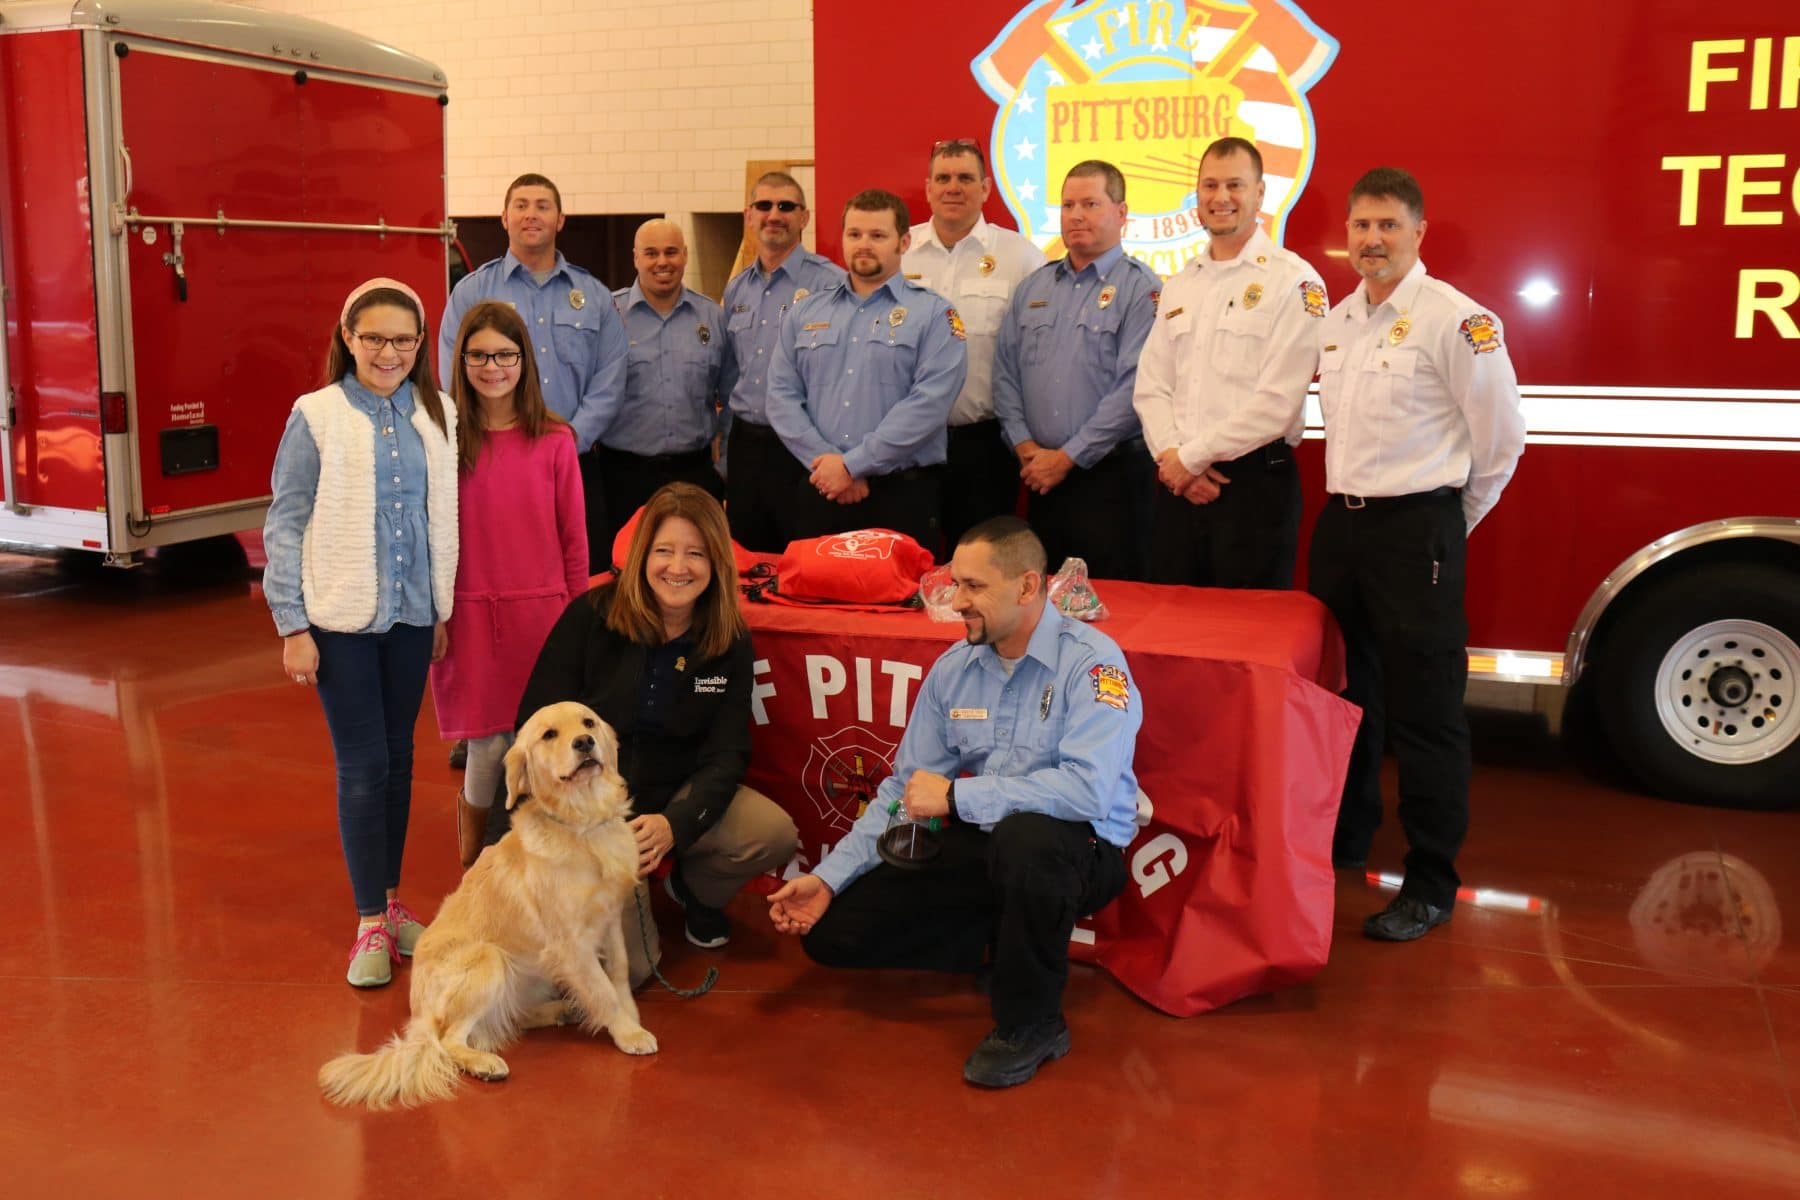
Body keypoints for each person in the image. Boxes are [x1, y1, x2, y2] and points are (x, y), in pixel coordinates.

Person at [768, 517, 1140, 1088]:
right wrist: (829, 877)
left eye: (973, 587)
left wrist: (960, 796)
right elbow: (904, 790)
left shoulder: (1093, 663)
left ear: (1027, 586)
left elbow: (1086, 790)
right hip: (995, 847)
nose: (955, 601)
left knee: (1026, 840)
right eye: (955, 583)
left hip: (1081, 849)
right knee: (833, 934)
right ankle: (1004, 940)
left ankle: (1032, 1021)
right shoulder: (954, 669)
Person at [1308, 167, 1526, 941]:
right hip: (1343, 527)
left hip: (1417, 529)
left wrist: (1446, 523)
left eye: (1388, 226)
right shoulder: (1336, 322)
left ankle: (1430, 880)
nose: (1371, 240)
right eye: (1361, 226)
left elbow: (1500, 440)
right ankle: (1345, 838)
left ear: (1418, 232)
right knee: (1341, 699)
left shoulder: (1458, 321)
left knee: (1427, 712)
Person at [484, 483, 797, 978]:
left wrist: (675, 824)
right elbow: (533, 730)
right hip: (586, 814)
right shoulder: (590, 617)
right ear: (641, 556)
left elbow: (727, 755)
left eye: (695, 553)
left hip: (667, 801)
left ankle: (690, 891)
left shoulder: (729, 639)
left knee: (772, 834)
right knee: (633, 972)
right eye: (664, 551)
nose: (679, 567)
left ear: (716, 562)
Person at [262, 277, 458, 988]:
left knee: (402, 762)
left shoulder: (438, 412)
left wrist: (438, 609)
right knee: (364, 765)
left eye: (403, 340)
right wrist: (293, 624)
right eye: (374, 337)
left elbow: (442, 515)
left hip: (410, 616)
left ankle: (393, 898)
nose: (389, 351)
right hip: (340, 620)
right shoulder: (315, 415)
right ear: (348, 338)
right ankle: (368, 920)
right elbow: (285, 520)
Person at [429, 301, 589, 869]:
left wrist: (577, 618)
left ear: (524, 360)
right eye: (478, 355)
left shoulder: (554, 439)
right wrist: (437, 615)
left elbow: (574, 538)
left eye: (504, 354)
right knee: (488, 744)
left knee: (544, 739)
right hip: (469, 614)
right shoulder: (444, 442)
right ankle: (477, 860)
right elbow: (431, 534)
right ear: (460, 360)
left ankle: (547, 858)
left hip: (541, 615)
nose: (492, 366)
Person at [1131, 137, 1328, 589]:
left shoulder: (1294, 281)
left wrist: (1192, 459)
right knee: (1175, 633)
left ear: (1260, 194)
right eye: (1210, 186)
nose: (1221, 198)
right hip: (1177, 485)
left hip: (1254, 489)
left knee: (1247, 638)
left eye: (1235, 185)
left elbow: (1277, 403)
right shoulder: (1180, 285)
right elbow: (1151, 386)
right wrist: (1174, 462)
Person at [438, 173, 628, 573]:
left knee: (582, 576)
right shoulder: (471, 292)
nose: (531, 215)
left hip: (575, 461)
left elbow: (610, 379)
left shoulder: (593, 295)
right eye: (521, 205)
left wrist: (568, 439)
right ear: (504, 217)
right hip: (490, 460)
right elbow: (451, 375)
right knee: (500, 568)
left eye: (543, 206)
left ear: (560, 219)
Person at [765, 188, 968, 548]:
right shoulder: (805, 313)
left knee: (900, 603)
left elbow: (928, 405)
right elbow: (780, 397)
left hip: (902, 495)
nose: (864, 244)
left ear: (903, 242)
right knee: (815, 600)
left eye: (878, 236)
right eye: (854, 234)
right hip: (820, 488)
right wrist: (828, 466)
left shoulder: (936, 315)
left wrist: (852, 465)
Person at [993, 161, 1160, 581]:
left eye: (1090, 204)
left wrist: (1068, 457)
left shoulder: (1142, 288)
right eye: (1068, 205)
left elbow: (1133, 387)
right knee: (1043, 606)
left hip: (1110, 479)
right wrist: (1024, 444)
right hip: (1040, 478)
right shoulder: (1035, 287)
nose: (1076, 215)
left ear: (1121, 214)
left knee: (1115, 607)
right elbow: (1005, 373)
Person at [901, 139, 1047, 549]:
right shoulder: (899, 252)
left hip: (984, 447)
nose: (953, 187)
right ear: (928, 187)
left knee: (984, 569)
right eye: (943, 178)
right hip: (906, 447)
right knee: (912, 563)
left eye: (965, 178)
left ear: (985, 188)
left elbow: (1037, 355)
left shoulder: (1021, 257)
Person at [719, 172, 846, 551]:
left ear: (804, 217)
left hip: (803, 450)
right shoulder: (737, 288)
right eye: (764, 206)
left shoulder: (832, 284)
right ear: (749, 215)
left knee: (804, 559)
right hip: (746, 447)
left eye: (786, 206)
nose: (774, 215)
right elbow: (731, 376)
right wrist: (727, 458)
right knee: (746, 562)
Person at [601, 219, 735, 548]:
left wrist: (723, 469)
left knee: (693, 569)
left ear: (685, 255)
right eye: (651, 253)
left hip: (695, 475)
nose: (663, 261)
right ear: (636, 258)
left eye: (671, 252)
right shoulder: (608, 314)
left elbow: (733, 397)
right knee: (623, 572)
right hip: (623, 476)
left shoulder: (712, 317)